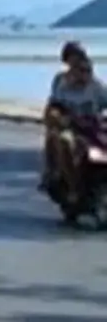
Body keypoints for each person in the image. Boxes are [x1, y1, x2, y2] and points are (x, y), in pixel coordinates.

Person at [43, 41, 107, 204]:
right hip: (71, 127)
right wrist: (58, 117)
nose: (85, 74)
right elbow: (53, 107)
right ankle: (73, 188)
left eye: (88, 71)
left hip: (93, 128)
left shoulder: (96, 87)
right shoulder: (62, 83)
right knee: (64, 141)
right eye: (81, 70)